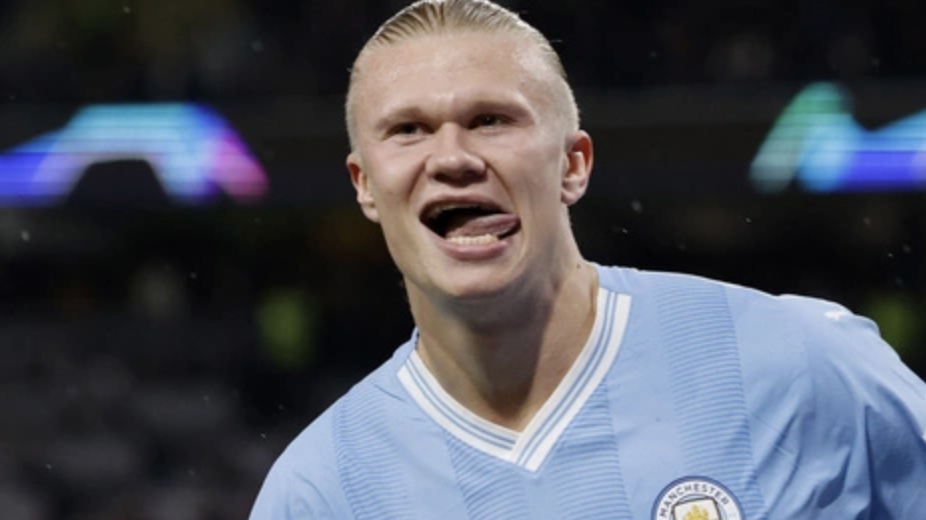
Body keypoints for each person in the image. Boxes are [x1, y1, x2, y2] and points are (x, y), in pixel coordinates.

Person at [250, 0, 926, 518]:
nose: (452, 157)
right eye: (409, 130)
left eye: (491, 120)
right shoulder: (320, 490)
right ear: (365, 184)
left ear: (573, 165)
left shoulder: (800, 363)